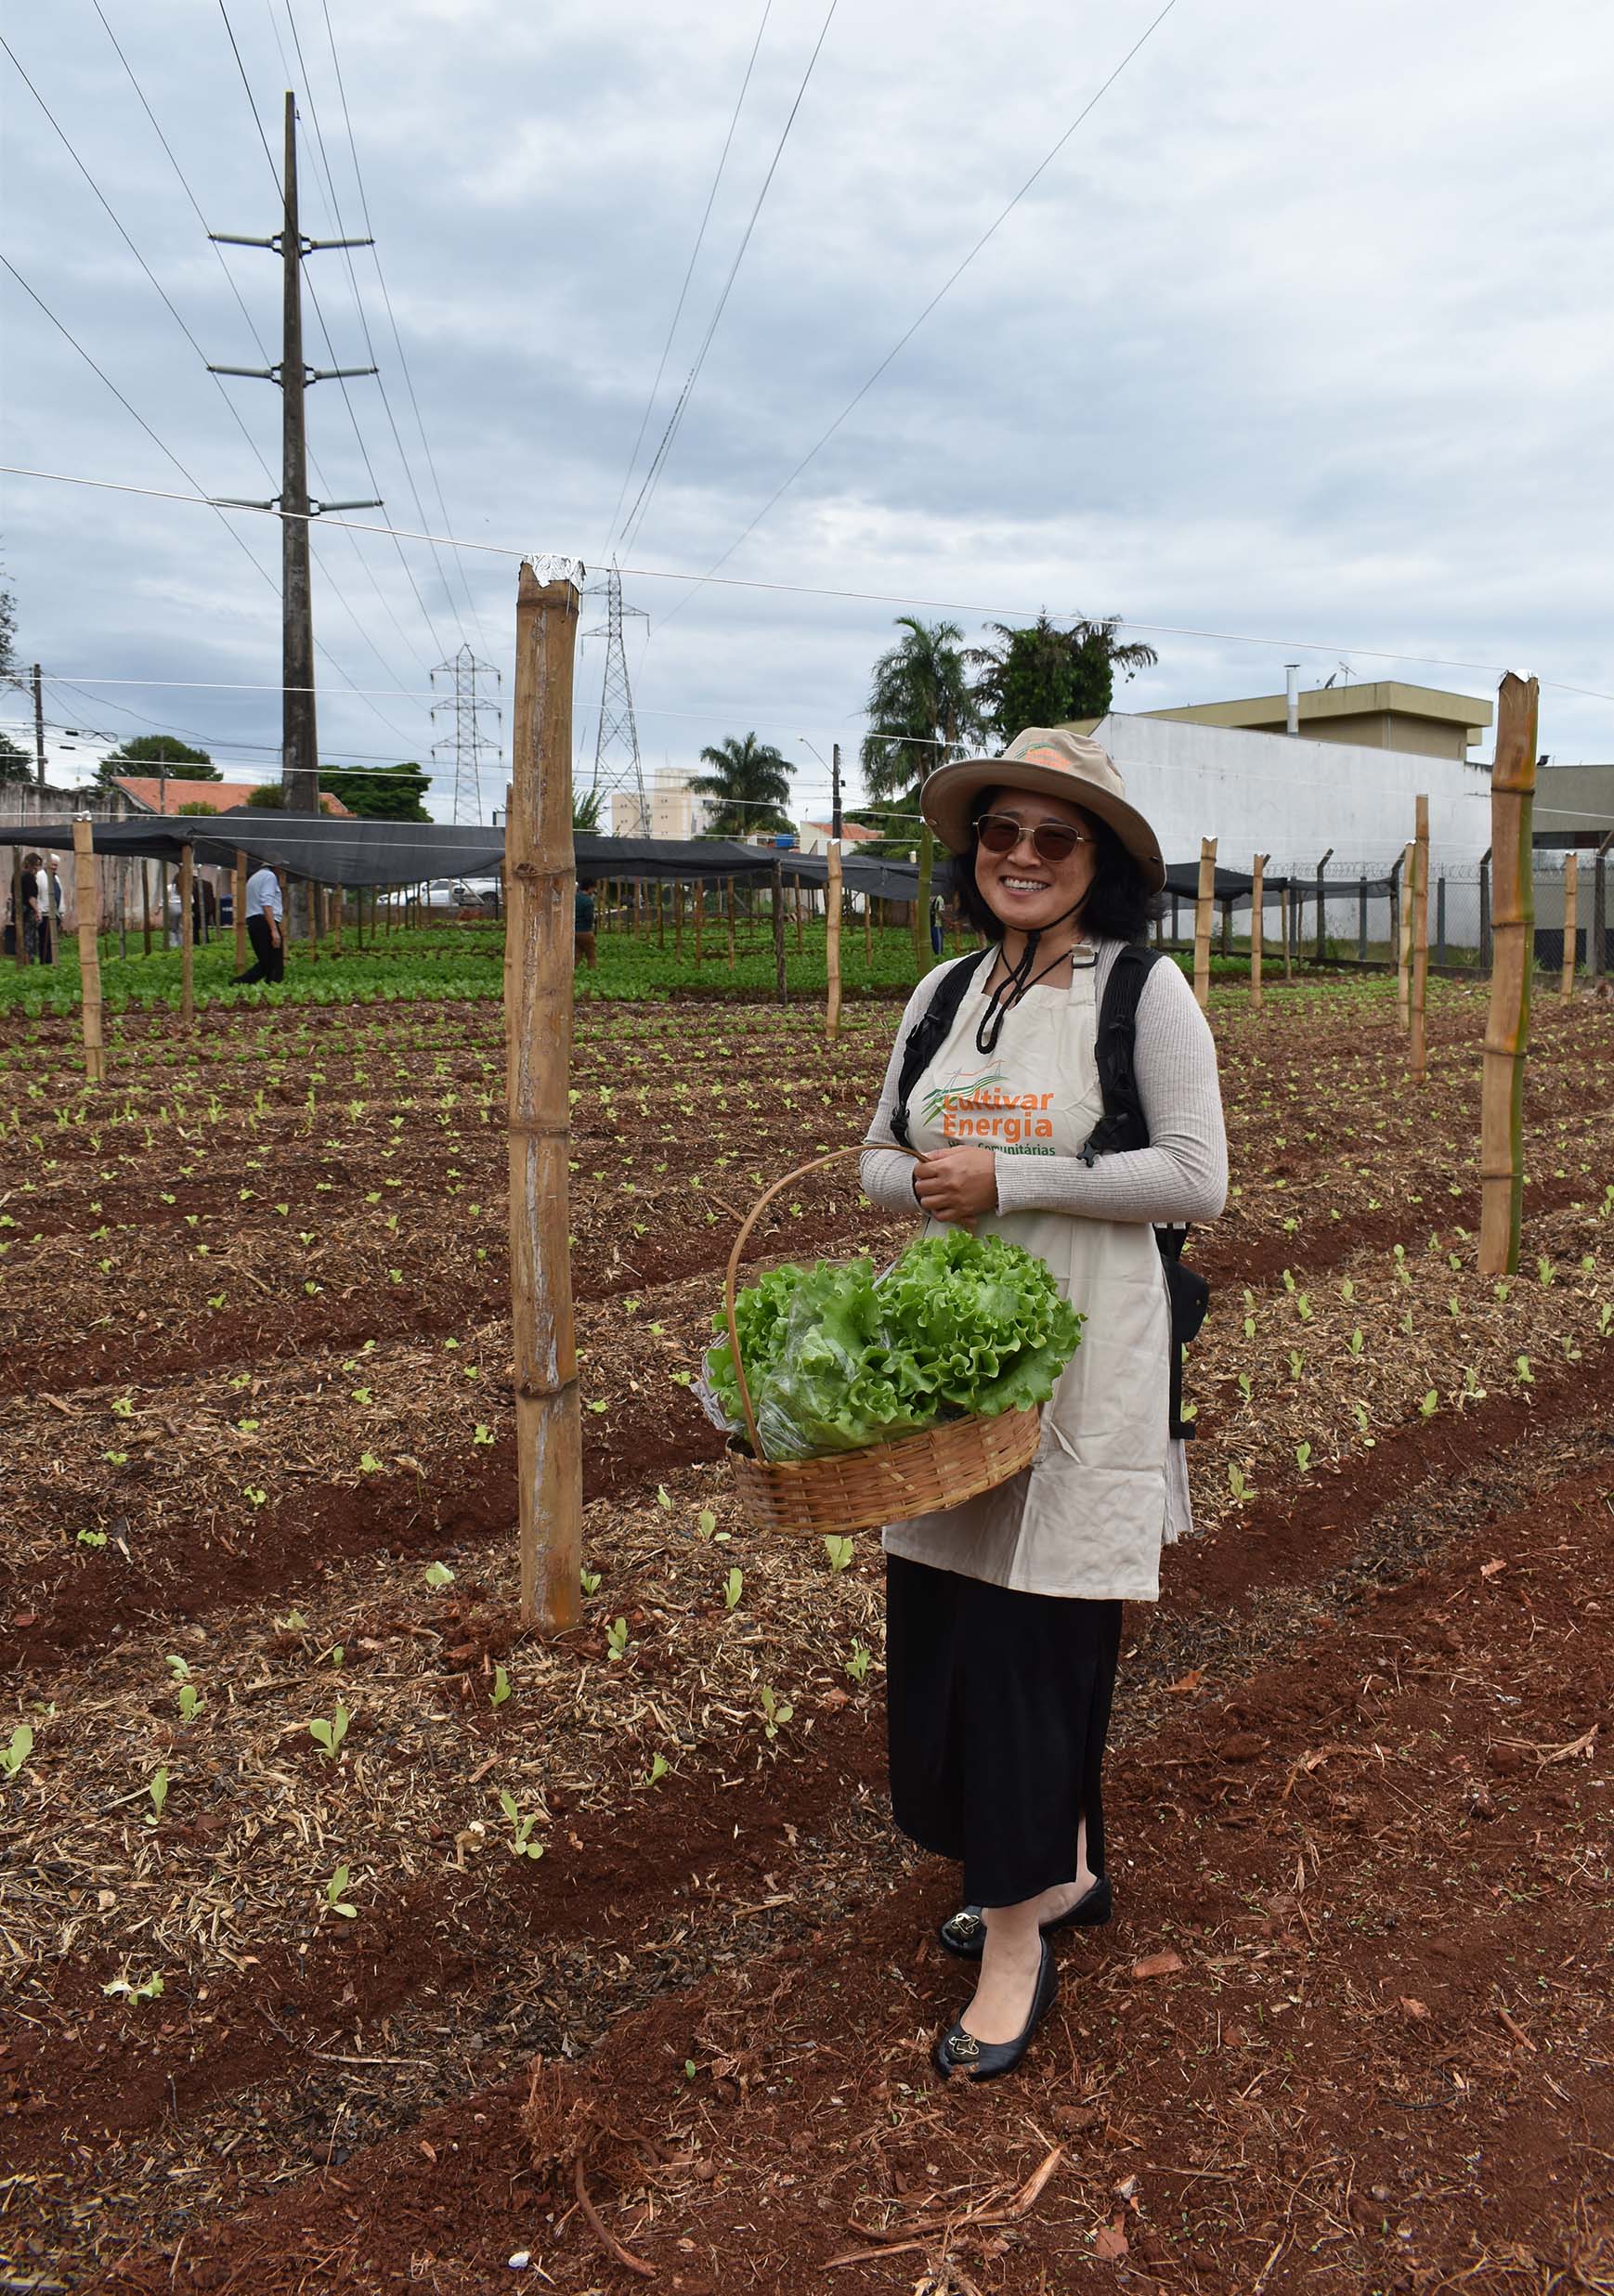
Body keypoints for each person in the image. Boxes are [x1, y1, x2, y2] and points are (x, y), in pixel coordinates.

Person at [859, 727, 1227, 2084]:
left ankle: (1016, 1942)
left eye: (1051, 837)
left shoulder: (1145, 992)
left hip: (1085, 1361)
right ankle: (1056, 1867)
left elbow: (1195, 1179)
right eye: (999, 833)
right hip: (950, 1372)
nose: (1019, 855)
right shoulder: (943, 992)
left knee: (1036, 1641)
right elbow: (874, 1159)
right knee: (955, 1627)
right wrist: (930, 1184)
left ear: (1098, 862)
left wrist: (1013, 1181)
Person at [232, 863, 285, 985]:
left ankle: (239, 983)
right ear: (275, 866)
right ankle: (241, 982)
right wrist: (274, 930)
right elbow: (266, 903)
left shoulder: (254, 877)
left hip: (254, 921)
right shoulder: (270, 877)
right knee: (275, 962)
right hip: (265, 921)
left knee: (267, 961)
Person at [575, 878, 597, 969]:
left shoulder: (574, 898)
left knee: (577, 954)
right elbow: (589, 918)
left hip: (574, 931)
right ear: (590, 888)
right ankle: (592, 972)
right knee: (591, 955)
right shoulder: (588, 901)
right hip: (585, 931)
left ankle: (571, 971)